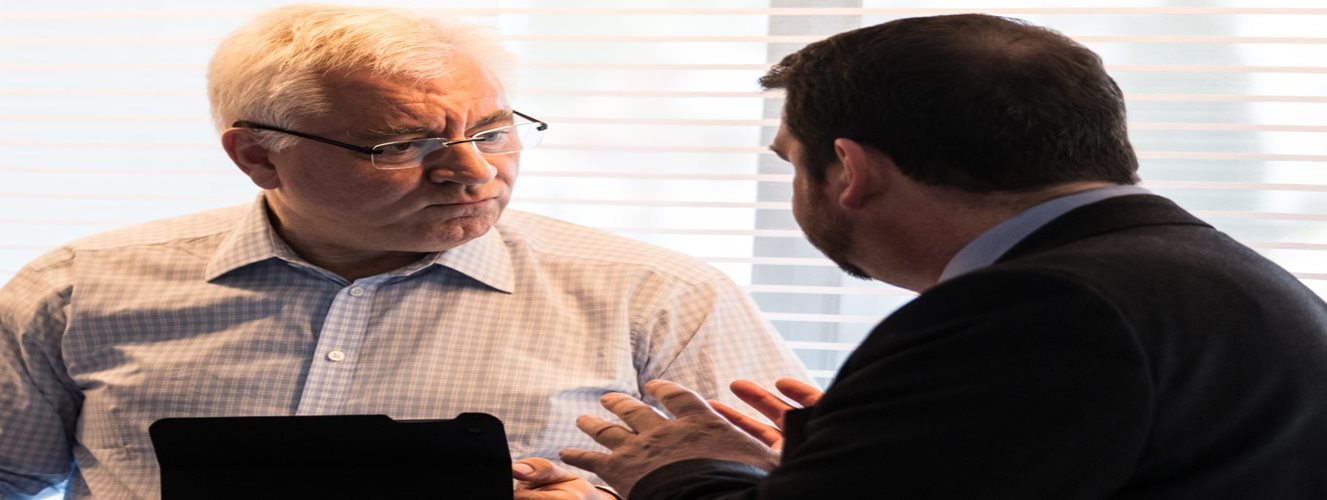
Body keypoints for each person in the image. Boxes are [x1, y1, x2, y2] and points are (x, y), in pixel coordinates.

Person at [0, 4, 812, 499]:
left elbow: (778, 497)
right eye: (402, 144)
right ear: (255, 155)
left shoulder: (660, 298)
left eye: (493, 131)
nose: (473, 171)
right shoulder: (77, 291)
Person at [552, 13, 1327, 499]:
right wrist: (856, 460)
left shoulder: (1035, 313)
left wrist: (679, 470)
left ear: (850, 171)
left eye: (790, 160)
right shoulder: (1217, 273)